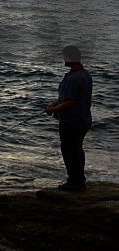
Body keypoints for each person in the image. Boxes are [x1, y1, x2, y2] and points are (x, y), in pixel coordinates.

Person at [44, 46, 92, 192]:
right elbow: (70, 98)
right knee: (77, 150)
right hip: (83, 120)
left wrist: (52, 109)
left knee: (69, 151)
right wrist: (56, 103)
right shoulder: (84, 75)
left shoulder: (74, 78)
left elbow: (71, 102)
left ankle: (74, 183)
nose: (64, 59)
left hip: (71, 121)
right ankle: (79, 181)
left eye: (65, 56)